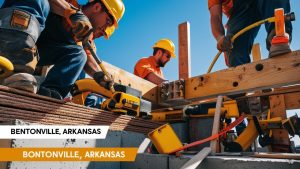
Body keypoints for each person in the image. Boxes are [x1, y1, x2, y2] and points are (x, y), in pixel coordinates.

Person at [0, 0, 125, 99]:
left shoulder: (86, 37)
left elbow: (89, 58)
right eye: (108, 22)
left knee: (79, 54)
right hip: (8, 39)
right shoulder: (68, 2)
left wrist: (100, 75)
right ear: (97, 7)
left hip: (35, 53)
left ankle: (50, 95)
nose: (104, 29)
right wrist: (71, 13)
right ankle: (14, 70)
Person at [208, 0, 292, 67]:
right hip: (239, 13)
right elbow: (215, 16)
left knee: (277, 26)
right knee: (234, 48)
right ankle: (241, 76)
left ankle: (278, 37)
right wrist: (220, 37)